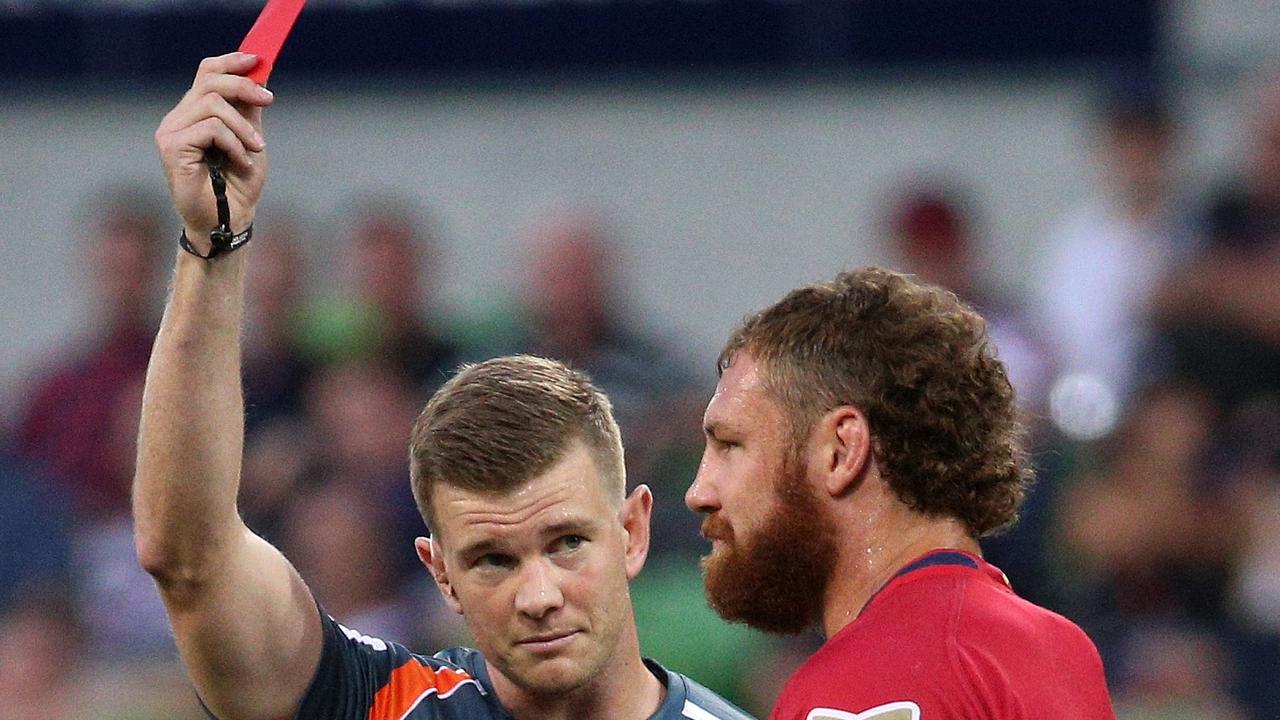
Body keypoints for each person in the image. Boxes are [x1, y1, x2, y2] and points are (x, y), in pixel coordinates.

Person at [135, 52, 752, 720]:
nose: (538, 595)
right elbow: (189, 559)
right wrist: (212, 239)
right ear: (441, 575)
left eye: (568, 543)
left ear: (632, 531)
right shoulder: (377, 703)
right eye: (492, 560)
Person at [684, 268, 1116, 719]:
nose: (699, 492)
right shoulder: (1059, 648)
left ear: (841, 451)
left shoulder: (857, 685)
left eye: (731, 444)